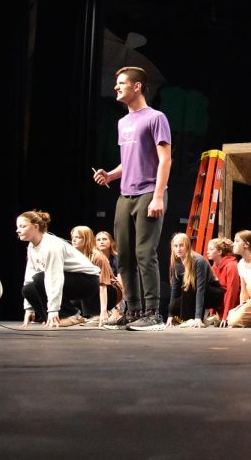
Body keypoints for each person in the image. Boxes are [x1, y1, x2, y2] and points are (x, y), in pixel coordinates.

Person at [92, 66, 172, 330]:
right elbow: (129, 161)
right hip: (125, 195)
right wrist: (111, 175)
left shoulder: (156, 117)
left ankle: (153, 312)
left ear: (137, 86)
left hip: (148, 192)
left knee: (144, 253)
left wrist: (158, 196)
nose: (116, 87)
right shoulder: (122, 122)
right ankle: (134, 310)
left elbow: (164, 160)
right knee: (124, 254)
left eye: (122, 83)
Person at [17, 210, 101, 328]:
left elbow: (54, 278)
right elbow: (29, 275)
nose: (18, 230)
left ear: (35, 227)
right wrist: (29, 308)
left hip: (87, 281)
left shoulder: (51, 245)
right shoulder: (31, 246)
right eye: (17, 227)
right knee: (28, 289)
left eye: (22, 226)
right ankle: (54, 319)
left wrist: (53, 310)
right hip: (68, 280)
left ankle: (72, 315)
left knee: (40, 278)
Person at [166, 233, 226, 329]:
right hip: (193, 292)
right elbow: (175, 288)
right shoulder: (176, 262)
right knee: (175, 304)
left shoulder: (199, 261)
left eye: (181, 245)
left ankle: (195, 319)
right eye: (176, 246)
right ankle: (200, 319)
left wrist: (197, 317)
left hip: (214, 294)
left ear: (188, 246)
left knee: (189, 286)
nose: (178, 249)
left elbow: (200, 289)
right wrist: (170, 314)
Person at [70, 226, 120, 325]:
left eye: (78, 237)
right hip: (95, 290)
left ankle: (98, 314)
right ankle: (75, 315)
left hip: (110, 292)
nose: (74, 240)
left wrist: (106, 311)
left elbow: (104, 285)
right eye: (73, 237)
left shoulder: (98, 257)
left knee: (88, 282)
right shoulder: (75, 256)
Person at [206, 237, 240, 324]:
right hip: (221, 305)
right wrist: (212, 314)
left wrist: (226, 316)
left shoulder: (231, 266)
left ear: (219, 252)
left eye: (211, 249)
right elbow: (213, 292)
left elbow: (232, 292)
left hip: (233, 306)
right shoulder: (214, 267)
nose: (207, 252)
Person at [95, 230, 124, 321]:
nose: (101, 242)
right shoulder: (94, 258)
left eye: (104, 239)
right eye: (98, 240)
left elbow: (121, 285)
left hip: (115, 294)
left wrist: (117, 309)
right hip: (98, 293)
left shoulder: (117, 259)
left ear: (111, 242)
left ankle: (115, 312)